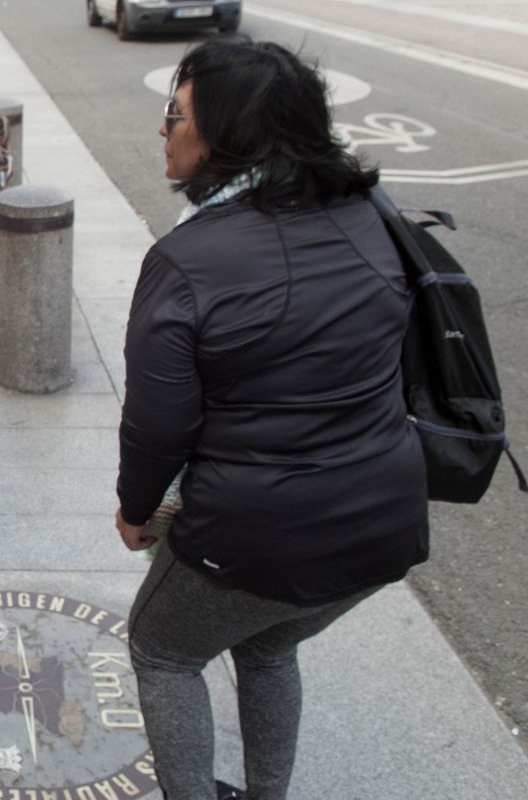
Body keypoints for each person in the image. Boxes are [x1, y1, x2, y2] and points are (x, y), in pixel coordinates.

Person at [115, 40, 428, 800]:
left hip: (257, 532)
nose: (164, 128)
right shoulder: (366, 215)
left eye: (176, 114)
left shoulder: (189, 259)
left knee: (163, 649)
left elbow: (158, 426)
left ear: (224, 136)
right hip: (384, 524)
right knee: (265, 643)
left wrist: (137, 512)